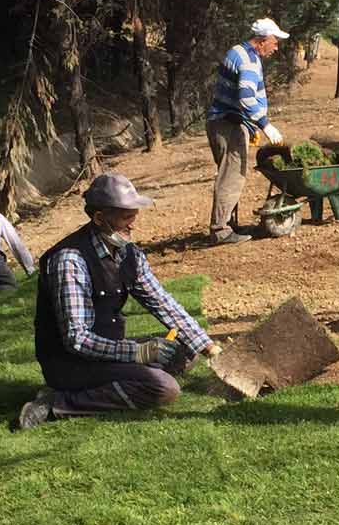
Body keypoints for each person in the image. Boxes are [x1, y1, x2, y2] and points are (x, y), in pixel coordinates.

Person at [15, 173, 222, 430]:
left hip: (108, 350)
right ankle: (56, 404)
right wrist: (137, 353)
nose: (133, 225)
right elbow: (77, 339)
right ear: (100, 218)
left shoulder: (129, 254)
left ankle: (116, 382)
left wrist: (210, 348)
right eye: (126, 217)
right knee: (164, 389)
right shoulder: (70, 260)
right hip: (71, 362)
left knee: (185, 352)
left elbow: (162, 301)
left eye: (134, 215)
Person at [205, 17, 288, 247]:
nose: (276, 47)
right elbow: (246, 97)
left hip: (223, 122)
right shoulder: (250, 61)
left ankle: (229, 225)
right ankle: (221, 230)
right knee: (231, 177)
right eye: (274, 41)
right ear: (262, 40)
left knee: (229, 175)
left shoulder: (238, 51)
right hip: (228, 124)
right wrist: (265, 124)